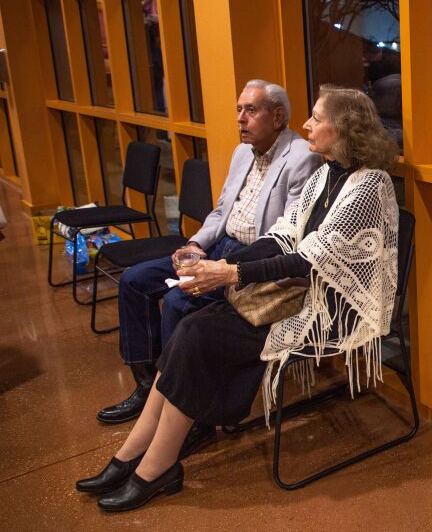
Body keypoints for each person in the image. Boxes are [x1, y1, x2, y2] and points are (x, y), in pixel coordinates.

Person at [76, 85, 401, 512]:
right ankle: (133, 455)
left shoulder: (368, 184)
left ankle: (155, 466)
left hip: (331, 308)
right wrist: (219, 267)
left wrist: (232, 271)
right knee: (190, 329)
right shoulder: (325, 172)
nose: (307, 124)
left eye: (316, 118)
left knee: (196, 334)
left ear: (344, 128)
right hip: (298, 291)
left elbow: (307, 260)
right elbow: (283, 235)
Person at [95, 80, 323, 435]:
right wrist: (196, 245)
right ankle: (148, 386)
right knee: (134, 282)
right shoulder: (240, 153)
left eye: (250, 110)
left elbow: (286, 233)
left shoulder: (300, 157)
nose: (241, 119)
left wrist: (224, 265)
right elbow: (221, 212)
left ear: (277, 116)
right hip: (217, 246)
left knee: (176, 301)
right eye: (238, 110)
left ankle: (186, 411)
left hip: (248, 258)